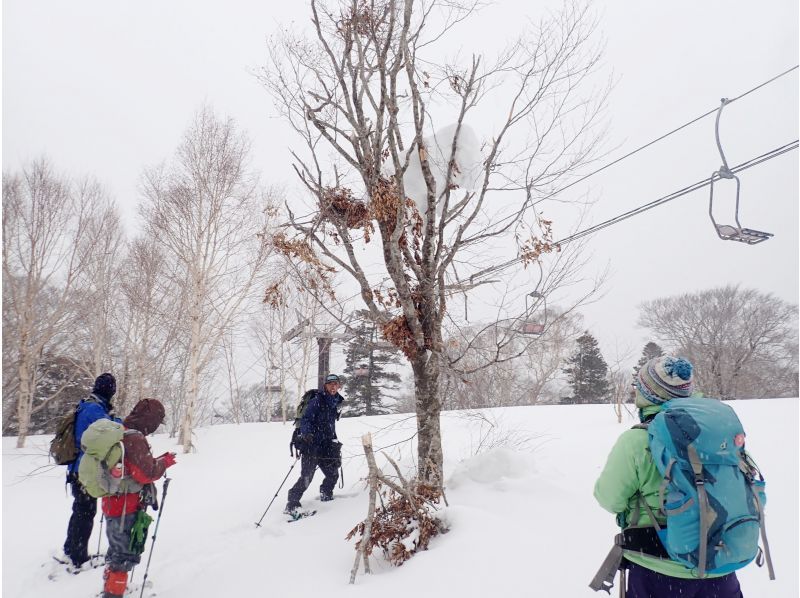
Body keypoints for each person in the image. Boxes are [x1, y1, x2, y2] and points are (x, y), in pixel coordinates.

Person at [593, 356, 744, 598]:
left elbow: (609, 499)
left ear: (647, 394)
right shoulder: (719, 435)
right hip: (719, 565)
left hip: (658, 569)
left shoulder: (636, 441)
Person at [101, 398, 176, 598]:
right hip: (125, 505)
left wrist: (157, 461)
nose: (153, 428)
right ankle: (113, 594)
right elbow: (146, 473)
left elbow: (135, 466)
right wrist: (165, 462)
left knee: (117, 549)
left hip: (113, 502)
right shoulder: (134, 439)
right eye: (155, 422)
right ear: (149, 419)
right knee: (124, 555)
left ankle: (111, 587)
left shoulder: (121, 429)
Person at [62, 372, 119, 570]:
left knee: (80, 510)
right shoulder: (94, 410)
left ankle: (71, 549)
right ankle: (78, 556)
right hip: (84, 470)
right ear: (109, 390)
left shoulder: (87, 405)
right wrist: (119, 422)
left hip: (77, 468)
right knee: (85, 512)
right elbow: (110, 430)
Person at [284, 373, 344, 514]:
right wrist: (307, 434)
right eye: (330, 384)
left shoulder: (336, 401)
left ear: (339, 386)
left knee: (333, 474)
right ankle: (292, 504)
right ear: (325, 386)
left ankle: (326, 494)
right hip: (312, 445)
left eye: (335, 384)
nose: (333, 386)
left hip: (327, 445)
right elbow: (306, 419)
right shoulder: (317, 400)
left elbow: (330, 423)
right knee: (307, 476)